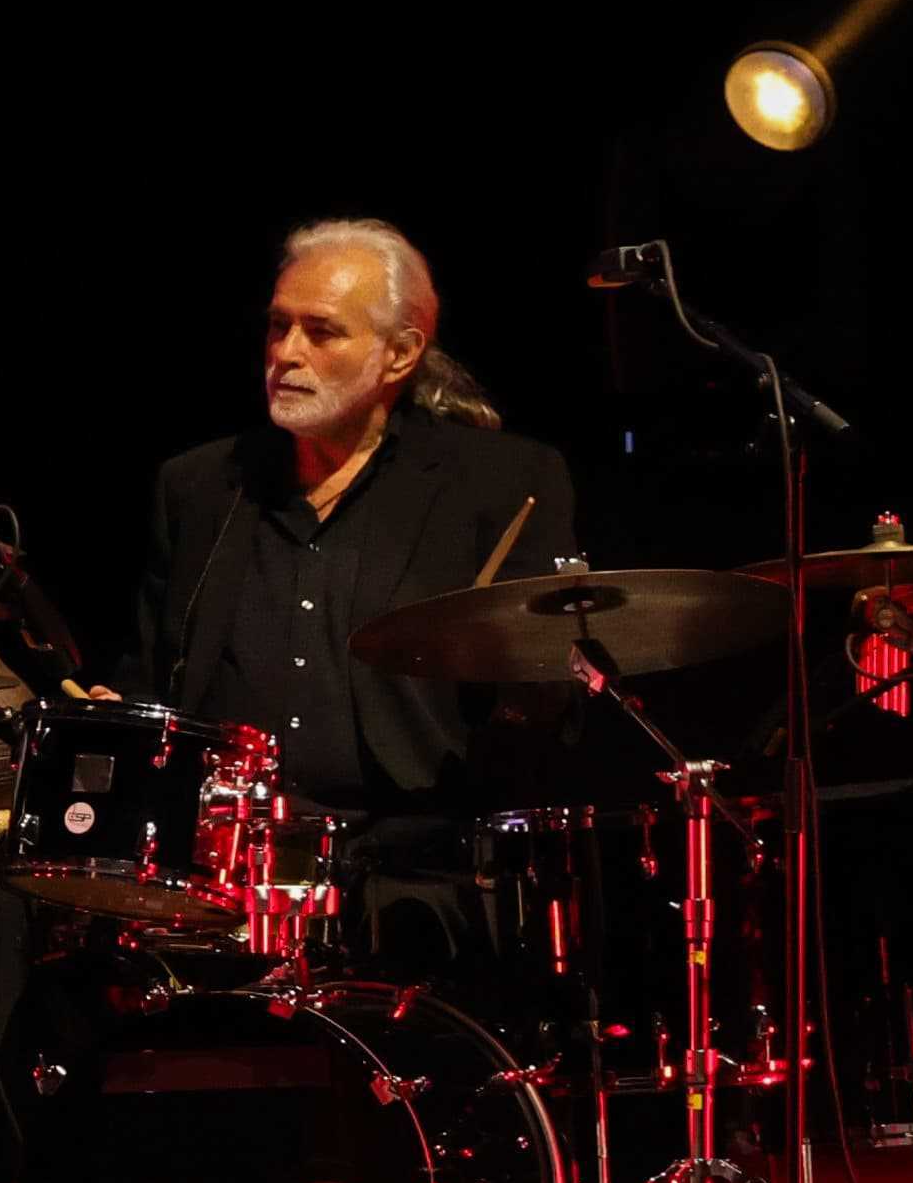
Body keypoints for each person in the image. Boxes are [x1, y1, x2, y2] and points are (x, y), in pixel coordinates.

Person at [116, 217, 577, 818]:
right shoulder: (200, 485)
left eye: (322, 332)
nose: (285, 354)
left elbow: (544, 687)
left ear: (401, 354)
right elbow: (149, 670)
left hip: (422, 856)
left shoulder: (501, 484)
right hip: (229, 852)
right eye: (279, 326)